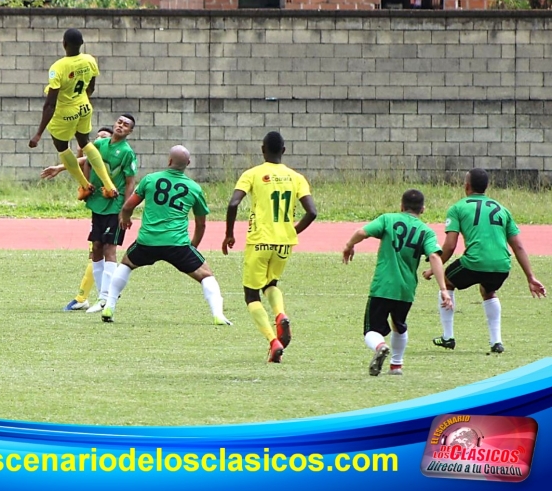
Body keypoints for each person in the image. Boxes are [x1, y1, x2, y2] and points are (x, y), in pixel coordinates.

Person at [101, 145, 232, 327]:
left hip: (147, 241)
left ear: (169, 161)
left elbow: (127, 206)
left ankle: (109, 305)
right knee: (206, 275)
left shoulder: (150, 180)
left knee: (126, 264)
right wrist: (192, 245)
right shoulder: (194, 188)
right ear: (188, 163)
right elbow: (201, 223)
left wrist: (125, 219)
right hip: (177, 244)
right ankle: (218, 315)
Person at [423, 168, 546, 353]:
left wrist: (434, 269)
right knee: (488, 290)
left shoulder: (458, 208)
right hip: (502, 265)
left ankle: (448, 337)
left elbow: (449, 246)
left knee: (447, 281)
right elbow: (518, 246)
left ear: (466, 186)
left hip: (474, 262)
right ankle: (496, 342)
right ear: (486, 186)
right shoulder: (502, 209)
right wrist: (530, 277)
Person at [222, 131, 317, 363]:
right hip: (284, 243)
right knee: (271, 283)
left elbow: (233, 202)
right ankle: (280, 314)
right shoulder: (296, 177)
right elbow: (312, 212)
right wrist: (292, 231)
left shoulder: (252, 174)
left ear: (262, 149)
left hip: (259, 241)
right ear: (283, 151)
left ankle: (273, 341)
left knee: (251, 294)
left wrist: (229, 234)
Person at [343, 190, 453, 377]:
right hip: (406, 289)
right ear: (423, 209)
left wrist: (349, 245)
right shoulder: (426, 231)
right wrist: (443, 289)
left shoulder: (388, 219)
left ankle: (380, 347)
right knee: (399, 324)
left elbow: (362, 232)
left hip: (383, 285)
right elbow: (434, 256)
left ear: (401, 206)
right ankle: (396, 365)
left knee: (371, 330)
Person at [28, 28, 117, 201]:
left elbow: (50, 104)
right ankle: (109, 185)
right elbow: (91, 87)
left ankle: (85, 186)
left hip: (65, 113)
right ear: (82, 44)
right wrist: (81, 101)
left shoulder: (58, 67)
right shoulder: (90, 60)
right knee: (85, 142)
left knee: (62, 146)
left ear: (64, 44)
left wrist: (38, 133)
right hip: (84, 106)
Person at [40, 125, 113, 310]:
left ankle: (87, 298)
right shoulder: (94, 157)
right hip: (97, 208)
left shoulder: (113, 157)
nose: (99, 141)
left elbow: (84, 158)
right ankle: (91, 297)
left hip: (111, 208)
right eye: (97, 138)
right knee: (96, 252)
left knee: (101, 253)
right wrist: (60, 166)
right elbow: (82, 158)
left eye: (104, 137)